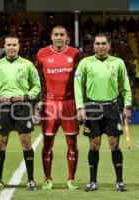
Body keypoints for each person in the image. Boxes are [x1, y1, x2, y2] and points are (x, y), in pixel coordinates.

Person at [74, 33, 132, 192]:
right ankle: (93, 181)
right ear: (93, 46)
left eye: (103, 43)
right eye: (97, 44)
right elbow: (78, 86)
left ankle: (119, 181)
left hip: (112, 108)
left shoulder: (118, 62)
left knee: (114, 144)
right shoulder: (85, 63)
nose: (100, 46)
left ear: (109, 45)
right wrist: (80, 107)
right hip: (92, 108)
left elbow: (126, 87)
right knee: (94, 145)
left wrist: (127, 106)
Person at [0, 36, 41, 191]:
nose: (11, 47)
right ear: (4, 46)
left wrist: (26, 96)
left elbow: (37, 86)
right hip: (4, 107)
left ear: (19, 46)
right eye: (8, 45)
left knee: (26, 143)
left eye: (14, 45)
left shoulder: (28, 65)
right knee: (0, 143)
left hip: (22, 107)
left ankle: (30, 180)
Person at [35, 25, 81, 190]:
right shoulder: (42, 53)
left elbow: (80, 78)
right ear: (51, 36)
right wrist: (39, 98)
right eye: (56, 34)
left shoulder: (75, 54)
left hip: (70, 103)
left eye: (62, 34)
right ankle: (48, 179)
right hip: (50, 105)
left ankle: (71, 179)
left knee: (72, 143)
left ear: (67, 37)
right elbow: (35, 76)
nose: (59, 37)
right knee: (47, 143)